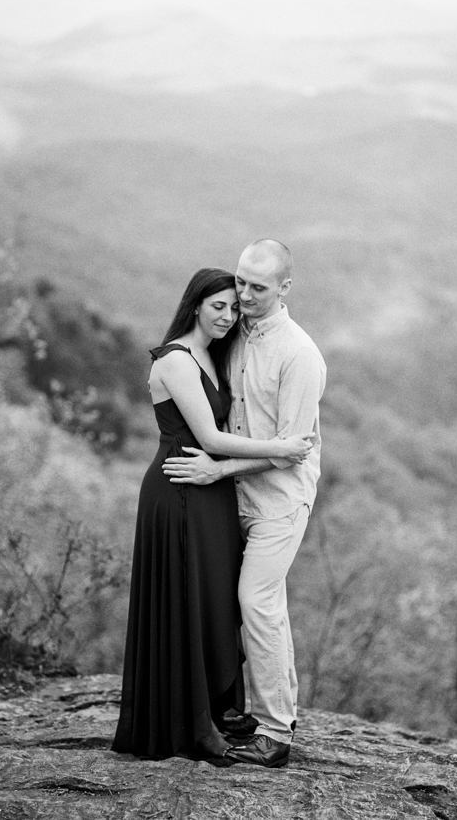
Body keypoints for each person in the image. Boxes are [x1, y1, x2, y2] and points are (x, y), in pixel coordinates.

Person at [112, 267, 313, 763]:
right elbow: (212, 440)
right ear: (195, 305)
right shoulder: (178, 359)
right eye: (217, 305)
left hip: (214, 487)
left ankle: (220, 710)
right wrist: (282, 447)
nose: (228, 314)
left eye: (234, 305)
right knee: (188, 602)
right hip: (182, 486)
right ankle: (191, 724)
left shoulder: (219, 349)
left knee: (215, 603)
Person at [163, 240, 326, 768]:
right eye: (240, 282)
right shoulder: (231, 334)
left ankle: (276, 732)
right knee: (227, 602)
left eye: (259, 287)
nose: (245, 295)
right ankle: (232, 711)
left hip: (280, 500)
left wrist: (218, 468)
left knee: (258, 602)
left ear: (284, 288)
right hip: (225, 498)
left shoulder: (299, 354)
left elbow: (291, 450)